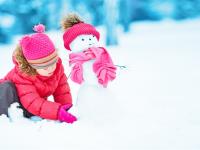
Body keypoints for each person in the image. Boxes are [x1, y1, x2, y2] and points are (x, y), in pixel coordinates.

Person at [0, 24, 77, 124]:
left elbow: (62, 91)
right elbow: (32, 101)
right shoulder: (24, 75)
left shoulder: (57, 68)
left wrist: (66, 108)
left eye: (53, 63)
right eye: (45, 67)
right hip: (10, 101)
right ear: (33, 66)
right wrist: (57, 112)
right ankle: (4, 119)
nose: (51, 69)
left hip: (29, 106)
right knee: (6, 87)